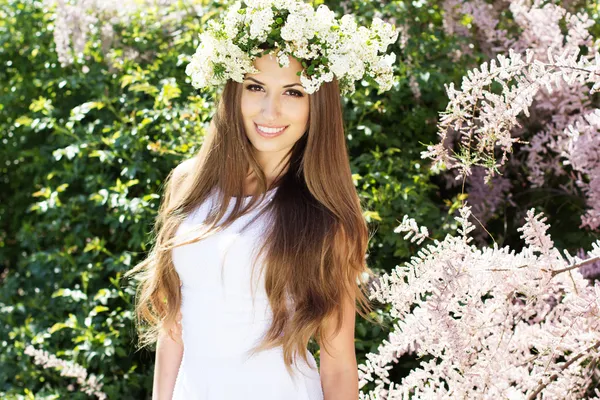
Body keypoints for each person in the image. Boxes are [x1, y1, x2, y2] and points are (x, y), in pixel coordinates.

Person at [123, 1, 398, 399]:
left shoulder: (326, 217)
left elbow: (338, 365)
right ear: (234, 91)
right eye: (256, 87)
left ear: (316, 105)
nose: (271, 110)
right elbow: (173, 326)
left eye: (293, 92)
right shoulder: (188, 183)